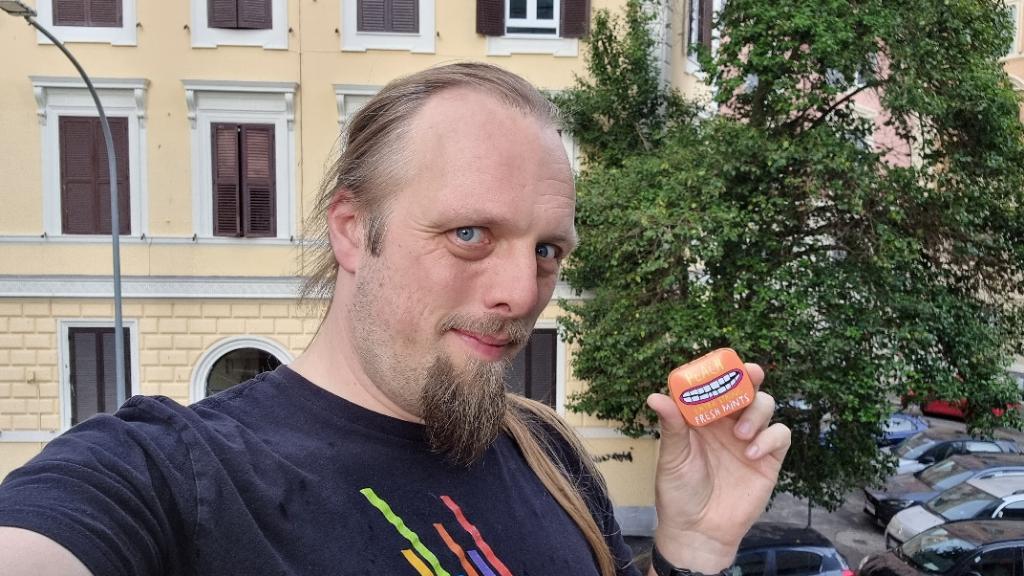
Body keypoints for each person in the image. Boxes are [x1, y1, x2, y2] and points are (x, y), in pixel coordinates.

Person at [0, 62, 791, 576]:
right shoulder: (173, 473)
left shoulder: (546, 448)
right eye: (470, 234)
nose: (523, 292)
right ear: (352, 229)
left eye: (548, 248)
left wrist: (690, 551)